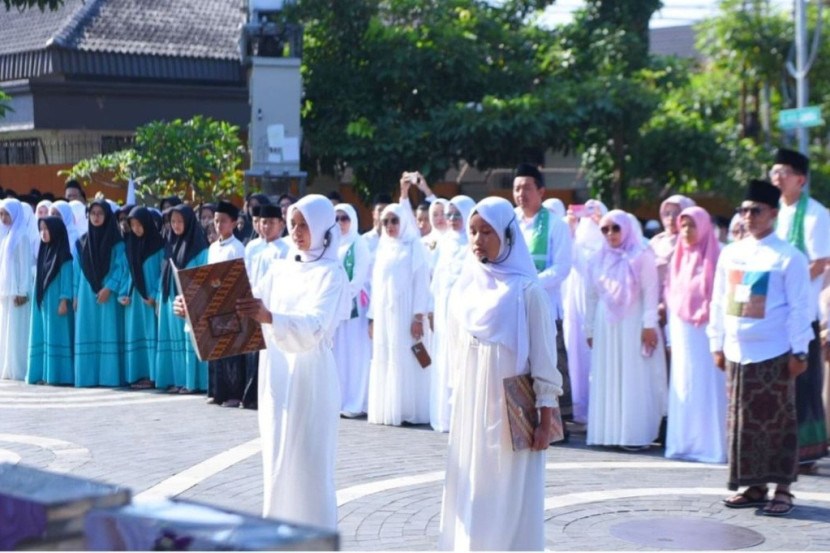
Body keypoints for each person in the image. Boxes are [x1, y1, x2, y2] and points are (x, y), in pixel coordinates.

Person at [439, 196, 562, 551]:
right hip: (471, 408)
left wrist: (545, 417)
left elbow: (543, 360)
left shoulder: (528, 292)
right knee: (473, 488)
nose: (477, 239)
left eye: (487, 231)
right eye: (473, 231)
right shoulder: (463, 289)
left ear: (508, 235)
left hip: (511, 412)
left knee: (506, 490)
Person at [234, 194, 349, 530]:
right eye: (294, 223)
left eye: (305, 225)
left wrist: (271, 317)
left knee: (309, 463)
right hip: (277, 375)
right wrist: (196, 308)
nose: (297, 231)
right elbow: (250, 305)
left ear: (324, 229)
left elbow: (315, 326)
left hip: (311, 376)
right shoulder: (280, 267)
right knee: (277, 459)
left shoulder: (332, 274)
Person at [708, 179, 812, 516]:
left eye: (756, 210)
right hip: (737, 353)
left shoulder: (788, 256)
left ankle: (783, 489)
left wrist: (799, 350)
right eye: (744, 209)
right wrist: (716, 342)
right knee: (743, 424)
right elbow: (719, 300)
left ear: (772, 213)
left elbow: (800, 307)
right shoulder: (731, 252)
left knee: (777, 423)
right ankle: (754, 487)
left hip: (776, 354)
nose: (748, 216)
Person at [585, 210, 666, 449]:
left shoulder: (641, 254)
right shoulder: (596, 258)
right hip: (606, 323)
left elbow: (651, 292)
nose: (610, 234)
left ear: (627, 228)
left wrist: (649, 325)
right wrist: (588, 329)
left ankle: (632, 434)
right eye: (605, 229)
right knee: (608, 374)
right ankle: (608, 433)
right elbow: (590, 296)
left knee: (632, 375)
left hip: (634, 322)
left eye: (616, 228)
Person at [769, 147, 829, 469]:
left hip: (802, 312)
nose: (776, 179)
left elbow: (820, 262)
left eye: (783, 173)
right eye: (773, 173)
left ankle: (806, 452)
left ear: (800, 179)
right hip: (773, 313)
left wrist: (787, 286)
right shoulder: (771, 211)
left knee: (803, 381)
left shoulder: (816, 214)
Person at [664, 206, 726, 463]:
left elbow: (721, 297)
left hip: (707, 329)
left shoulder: (717, 255)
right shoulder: (678, 257)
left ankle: (710, 446)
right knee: (684, 383)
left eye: (692, 226)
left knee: (707, 385)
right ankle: (683, 444)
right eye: (684, 226)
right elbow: (670, 294)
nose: (687, 231)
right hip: (682, 330)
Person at [513, 163, 574, 422]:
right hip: (514, 306)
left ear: (541, 191)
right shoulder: (510, 222)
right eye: (516, 188)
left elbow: (561, 268)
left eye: (527, 187)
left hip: (546, 305)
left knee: (551, 363)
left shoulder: (556, 225)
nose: (520, 194)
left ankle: (558, 424)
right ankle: (523, 420)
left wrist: (530, 284)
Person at [367, 199, 432, 426]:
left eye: (394, 220)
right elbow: (377, 287)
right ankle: (388, 408)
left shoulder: (415, 247)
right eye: (386, 221)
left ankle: (407, 409)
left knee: (409, 356)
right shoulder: (383, 248)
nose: (390, 225)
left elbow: (421, 284)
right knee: (387, 356)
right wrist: (373, 318)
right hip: (385, 314)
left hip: (406, 312)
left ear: (403, 221)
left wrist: (417, 316)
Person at [429, 194, 475, 432]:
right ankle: (444, 416)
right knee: (444, 357)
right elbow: (436, 278)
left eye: (458, 214)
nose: (453, 219)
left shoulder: (473, 241)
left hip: (465, 311)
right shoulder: (444, 242)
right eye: (450, 215)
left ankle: (463, 415)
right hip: (443, 309)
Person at [73, 199, 129, 387]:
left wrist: (109, 287)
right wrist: (75, 295)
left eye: (100, 213)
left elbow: (121, 266)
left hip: (108, 294)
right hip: (86, 293)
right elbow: (77, 270)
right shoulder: (81, 242)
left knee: (108, 332)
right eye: (93, 213)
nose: (96, 217)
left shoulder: (116, 241)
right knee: (88, 331)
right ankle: (87, 377)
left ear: (107, 216)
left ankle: (109, 377)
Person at [155, 205, 209, 393]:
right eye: (173, 221)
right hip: (171, 299)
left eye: (180, 221)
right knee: (173, 340)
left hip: (189, 301)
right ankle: (178, 379)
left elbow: (203, 275)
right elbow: (163, 273)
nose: (176, 225)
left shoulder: (199, 247)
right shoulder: (170, 244)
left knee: (188, 340)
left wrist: (192, 298)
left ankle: (191, 382)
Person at [241, 203, 290, 410]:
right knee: (253, 353)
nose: (267, 226)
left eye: (271, 222)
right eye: (263, 222)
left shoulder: (285, 249)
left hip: (274, 307)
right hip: (253, 303)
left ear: (281, 224)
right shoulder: (252, 247)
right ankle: (251, 395)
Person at [332, 203, 372, 418]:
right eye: (336, 218)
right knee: (339, 354)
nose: (340, 223)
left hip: (355, 308)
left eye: (344, 218)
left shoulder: (359, 243)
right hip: (337, 308)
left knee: (355, 355)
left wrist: (344, 296)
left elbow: (359, 278)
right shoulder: (331, 244)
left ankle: (355, 401)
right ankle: (339, 399)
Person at [207, 200, 247, 408]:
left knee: (231, 351)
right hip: (215, 302)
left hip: (231, 302)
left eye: (223, 221)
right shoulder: (213, 247)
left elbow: (239, 277)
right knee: (217, 349)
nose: (219, 225)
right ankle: (217, 391)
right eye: (216, 221)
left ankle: (233, 394)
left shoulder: (237, 247)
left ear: (233, 223)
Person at [27, 217, 74, 385]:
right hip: (44, 302)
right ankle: (43, 374)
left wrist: (64, 300)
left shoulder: (64, 255)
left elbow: (67, 279)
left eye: (47, 229)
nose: (43, 233)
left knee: (56, 337)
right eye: (41, 229)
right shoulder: (44, 252)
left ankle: (57, 375)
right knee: (44, 335)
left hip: (57, 303)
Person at [121, 207, 165, 389]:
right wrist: (123, 293)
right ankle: (137, 375)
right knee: (135, 334)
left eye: (139, 224)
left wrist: (154, 294)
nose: (137, 229)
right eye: (133, 225)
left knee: (150, 335)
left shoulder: (158, 245)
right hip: (134, 300)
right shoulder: (130, 244)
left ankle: (152, 376)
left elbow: (163, 273)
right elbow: (127, 272)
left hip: (149, 299)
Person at [0, 198, 33, 381]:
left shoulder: (22, 235)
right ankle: (7, 367)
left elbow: (24, 265)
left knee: (16, 332)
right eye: (1, 214)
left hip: (18, 293)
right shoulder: (6, 235)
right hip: (6, 291)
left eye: (7, 214)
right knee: (5, 330)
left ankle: (18, 368)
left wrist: (22, 291)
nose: (3, 218)